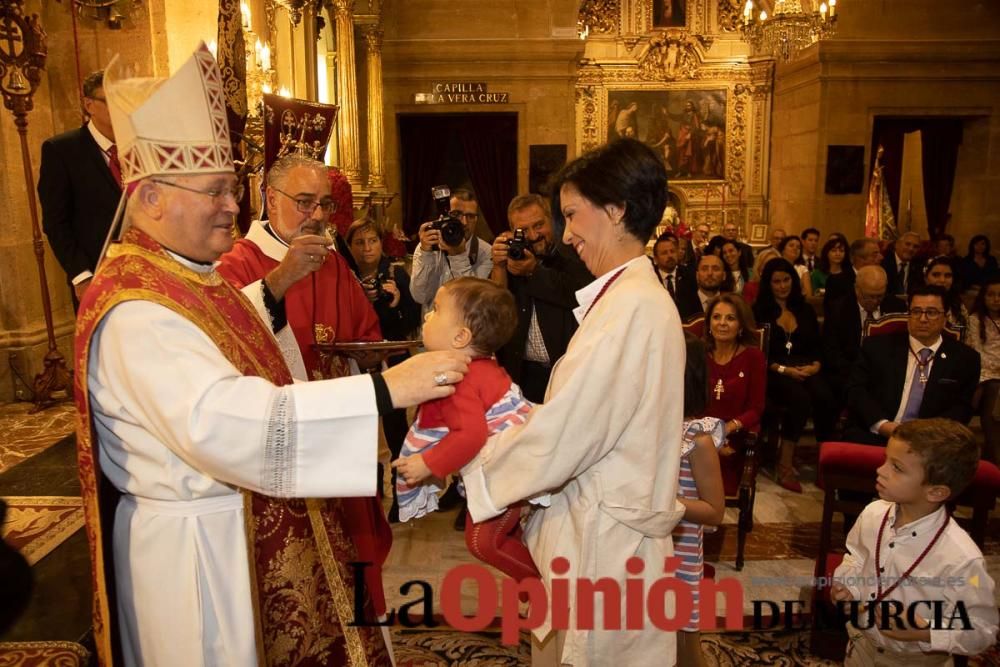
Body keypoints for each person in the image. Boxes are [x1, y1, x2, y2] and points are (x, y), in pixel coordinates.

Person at [76, 45, 470, 665]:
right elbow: (231, 422)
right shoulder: (136, 309)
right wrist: (387, 390)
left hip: (226, 520)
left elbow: (238, 332)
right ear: (150, 197)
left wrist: (284, 298)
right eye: (215, 191)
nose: (233, 207)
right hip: (193, 555)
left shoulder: (181, 279)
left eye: (233, 190)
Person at [461, 139, 686, 665]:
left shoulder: (631, 310)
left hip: (605, 546)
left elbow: (570, 433)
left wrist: (480, 473)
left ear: (616, 209)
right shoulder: (627, 301)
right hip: (600, 529)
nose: (566, 234)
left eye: (571, 214)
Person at [392, 278, 539, 583]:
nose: (427, 317)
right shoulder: (482, 364)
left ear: (460, 336)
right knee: (495, 538)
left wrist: (427, 463)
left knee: (483, 541)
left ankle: (543, 588)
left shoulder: (461, 378)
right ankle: (535, 588)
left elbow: (470, 435)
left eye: (435, 310)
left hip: (508, 474)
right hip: (515, 466)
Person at [832, 419, 998, 664]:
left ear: (936, 492)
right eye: (886, 459)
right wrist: (848, 587)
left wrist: (925, 630)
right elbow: (856, 557)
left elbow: (982, 629)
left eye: (897, 467)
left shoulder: (961, 557)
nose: (881, 470)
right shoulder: (873, 513)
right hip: (861, 648)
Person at [345, 217, 422, 521]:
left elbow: (411, 321)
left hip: (393, 357)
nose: (367, 248)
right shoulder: (345, 277)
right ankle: (370, 489)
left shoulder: (396, 273)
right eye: (360, 242)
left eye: (372, 241)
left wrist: (397, 302)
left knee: (395, 427)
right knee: (361, 425)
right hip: (357, 359)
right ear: (350, 247)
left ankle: (400, 492)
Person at [845, 285, 980, 446]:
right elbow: (856, 390)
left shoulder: (965, 358)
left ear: (945, 317)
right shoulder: (877, 348)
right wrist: (883, 425)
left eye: (931, 312)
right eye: (916, 311)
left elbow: (962, 408)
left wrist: (925, 434)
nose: (922, 319)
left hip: (932, 442)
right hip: (876, 434)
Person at [490, 194, 593, 403]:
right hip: (523, 375)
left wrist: (533, 271)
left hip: (568, 374)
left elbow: (578, 294)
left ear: (552, 221)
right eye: (524, 230)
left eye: (538, 225)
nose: (533, 235)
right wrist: (499, 266)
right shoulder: (514, 257)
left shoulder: (575, 253)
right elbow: (496, 310)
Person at [38, 70, 122, 308]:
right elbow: (56, 222)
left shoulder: (135, 146)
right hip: (96, 275)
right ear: (89, 105)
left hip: (141, 270)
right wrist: (81, 276)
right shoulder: (62, 150)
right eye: (112, 100)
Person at [753, 258, 836, 492]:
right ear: (768, 284)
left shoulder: (805, 309)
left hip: (805, 367)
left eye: (786, 280)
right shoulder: (759, 311)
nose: (782, 286)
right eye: (776, 281)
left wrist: (816, 366)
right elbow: (757, 352)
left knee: (826, 397)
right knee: (799, 398)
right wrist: (783, 370)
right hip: (774, 370)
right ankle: (785, 464)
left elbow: (818, 346)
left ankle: (824, 462)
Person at [673, 335, 725, 667]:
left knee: (683, 642)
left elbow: (715, 511)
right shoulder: (645, 426)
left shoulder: (698, 437)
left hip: (680, 552)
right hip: (646, 550)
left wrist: (668, 502)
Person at [822, 265, 907, 409]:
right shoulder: (838, 309)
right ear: (857, 289)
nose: (874, 301)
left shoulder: (896, 307)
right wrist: (858, 373)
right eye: (869, 296)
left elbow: (902, 345)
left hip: (888, 372)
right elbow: (832, 352)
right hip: (849, 370)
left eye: (879, 296)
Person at [410, 188, 493, 314]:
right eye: (457, 214)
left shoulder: (486, 253)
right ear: (443, 216)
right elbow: (420, 297)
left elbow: (470, 303)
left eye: (470, 216)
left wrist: (458, 255)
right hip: (432, 330)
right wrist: (425, 253)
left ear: (476, 219)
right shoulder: (428, 247)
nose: (464, 222)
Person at [704, 294, 766, 451]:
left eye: (730, 318)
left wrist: (727, 429)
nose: (722, 323)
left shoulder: (754, 357)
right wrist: (709, 438)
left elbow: (756, 409)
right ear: (709, 323)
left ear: (741, 326)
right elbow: (688, 404)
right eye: (716, 317)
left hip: (737, 437)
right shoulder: (698, 355)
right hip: (700, 438)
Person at [967, 275, 1000, 463]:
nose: (996, 299)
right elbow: (978, 351)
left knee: (994, 388)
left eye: (999, 295)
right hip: (984, 368)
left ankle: (992, 449)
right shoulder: (975, 319)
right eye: (991, 295)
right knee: (984, 388)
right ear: (983, 297)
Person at [824, 237, 882, 308]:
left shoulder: (881, 279)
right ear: (860, 259)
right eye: (875, 255)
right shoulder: (836, 282)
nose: (881, 257)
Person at [675, 252, 733, 320]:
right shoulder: (680, 305)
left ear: (724, 276)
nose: (710, 273)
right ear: (697, 275)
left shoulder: (732, 305)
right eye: (704, 269)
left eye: (715, 269)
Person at [923, 255, 969, 334]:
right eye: (936, 275)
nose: (942, 280)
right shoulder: (916, 303)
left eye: (947, 276)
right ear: (926, 278)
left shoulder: (958, 306)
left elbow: (967, 336)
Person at [881, 231, 924, 296]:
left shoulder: (919, 266)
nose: (911, 249)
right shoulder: (884, 262)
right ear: (897, 245)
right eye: (907, 244)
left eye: (915, 247)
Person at [652, 232, 693, 299]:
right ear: (656, 259)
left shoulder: (688, 275)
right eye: (664, 253)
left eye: (672, 251)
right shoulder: (650, 277)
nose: (670, 255)